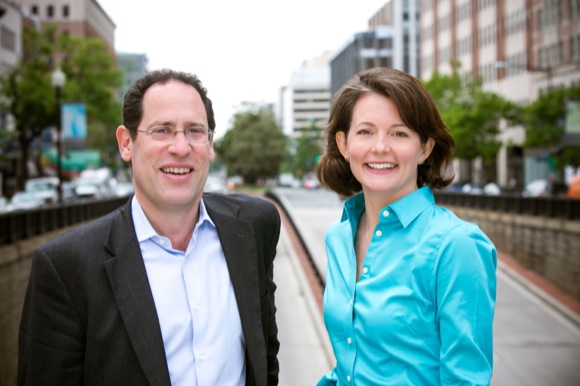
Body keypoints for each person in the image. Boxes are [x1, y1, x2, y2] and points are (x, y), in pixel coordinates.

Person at [18, 69, 281, 386]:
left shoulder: (254, 227)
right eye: (162, 130)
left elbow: (265, 359)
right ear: (126, 143)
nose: (181, 147)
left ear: (210, 144)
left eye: (195, 131)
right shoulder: (66, 268)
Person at [315, 67, 497, 385]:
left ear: (424, 148)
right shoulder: (339, 236)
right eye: (365, 131)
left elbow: (465, 379)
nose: (380, 147)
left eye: (399, 133)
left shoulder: (457, 245)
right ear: (343, 144)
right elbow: (352, 366)